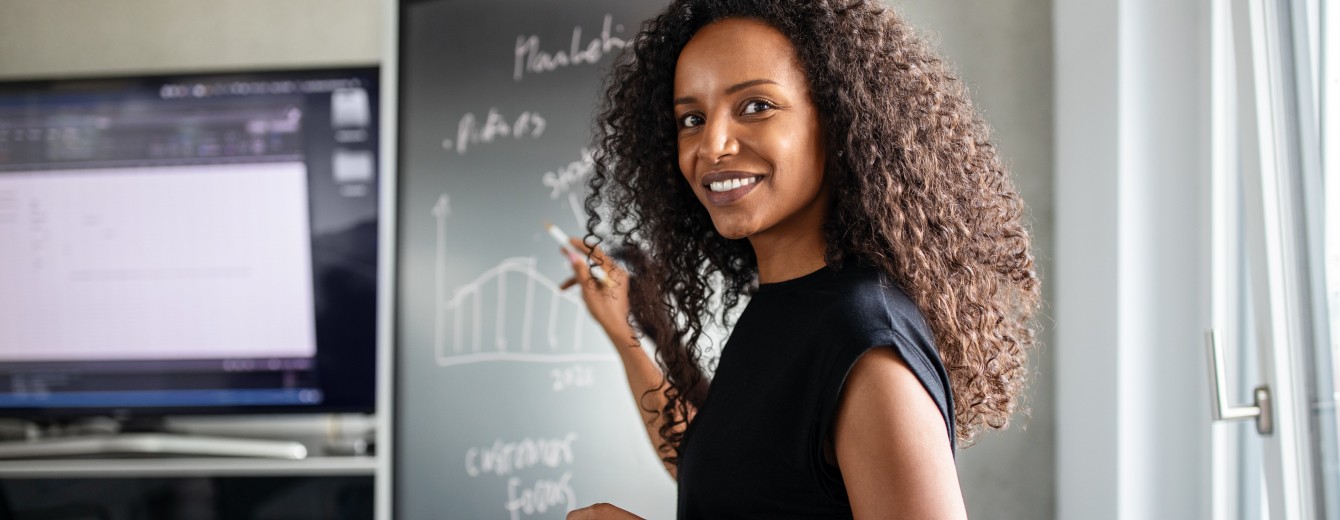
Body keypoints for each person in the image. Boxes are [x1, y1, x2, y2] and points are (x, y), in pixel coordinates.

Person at [561, 0, 1039, 518]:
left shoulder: (865, 343)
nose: (712, 145)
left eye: (756, 106)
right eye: (691, 119)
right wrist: (625, 331)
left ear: (838, 120)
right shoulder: (788, 303)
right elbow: (729, 471)